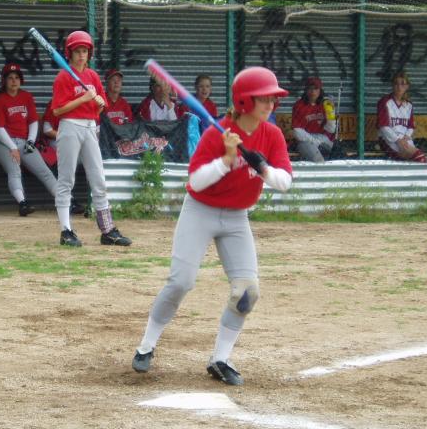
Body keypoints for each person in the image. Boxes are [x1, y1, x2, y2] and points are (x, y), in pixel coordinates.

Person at [131, 66, 292, 385]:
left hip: (236, 217)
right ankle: (146, 346)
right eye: (265, 99)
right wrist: (226, 160)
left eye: (273, 100)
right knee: (181, 282)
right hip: (200, 211)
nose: (271, 105)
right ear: (245, 101)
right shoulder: (216, 135)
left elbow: (285, 181)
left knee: (247, 291)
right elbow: (196, 181)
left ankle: (220, 359)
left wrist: (263, 169)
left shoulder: (271, 134)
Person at [50, 30, 132, 247]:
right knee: (66, 179)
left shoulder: (93, 76)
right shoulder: (63, 77)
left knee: (99, 179)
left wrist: (98, 102)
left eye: (84, 51)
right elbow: (57, 111)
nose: (81, 55)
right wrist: (83, 98)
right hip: (69, 127)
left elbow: (103, 105)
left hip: (90, 127)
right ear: (70, 53)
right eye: (77, 51)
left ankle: (107, 230)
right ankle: (66, 231)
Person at [0, 62, 58, 216]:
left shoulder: (26, 96)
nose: (14, 81)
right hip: (3, 143)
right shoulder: (0, 99)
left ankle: (67, 201)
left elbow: (33, 121)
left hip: (25, 142)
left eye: (17, 78)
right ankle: (22, 203)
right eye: (10, 78)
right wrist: (12, 148)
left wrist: (30, 142)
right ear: (4, 81)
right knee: (14, 170)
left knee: (44, 171)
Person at [376, 72, 427, 163]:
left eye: (403, 84)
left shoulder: (408, 105)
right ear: (392, 85)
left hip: (404, 138)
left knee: (417, 158)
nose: (399, 87)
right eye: (396, 84)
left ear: (407, 86)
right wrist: (398, 140)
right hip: (389, 140)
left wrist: (406, 137)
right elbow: (383, 127)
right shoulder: (385, 102)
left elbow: (411, 126)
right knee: (419, 157)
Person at [291, 76, 337, 163]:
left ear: (320, 90)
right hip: (305, 140)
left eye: (316, 89)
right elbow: (297, 132)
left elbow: (331, 130)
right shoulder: (299, 105)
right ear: (306, 90)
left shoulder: (325, 104)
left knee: (339, 155)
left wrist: (331, 116)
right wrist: (314, 140)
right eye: (310, 88)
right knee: (318, 160)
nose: (313, 92)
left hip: (323, 138)